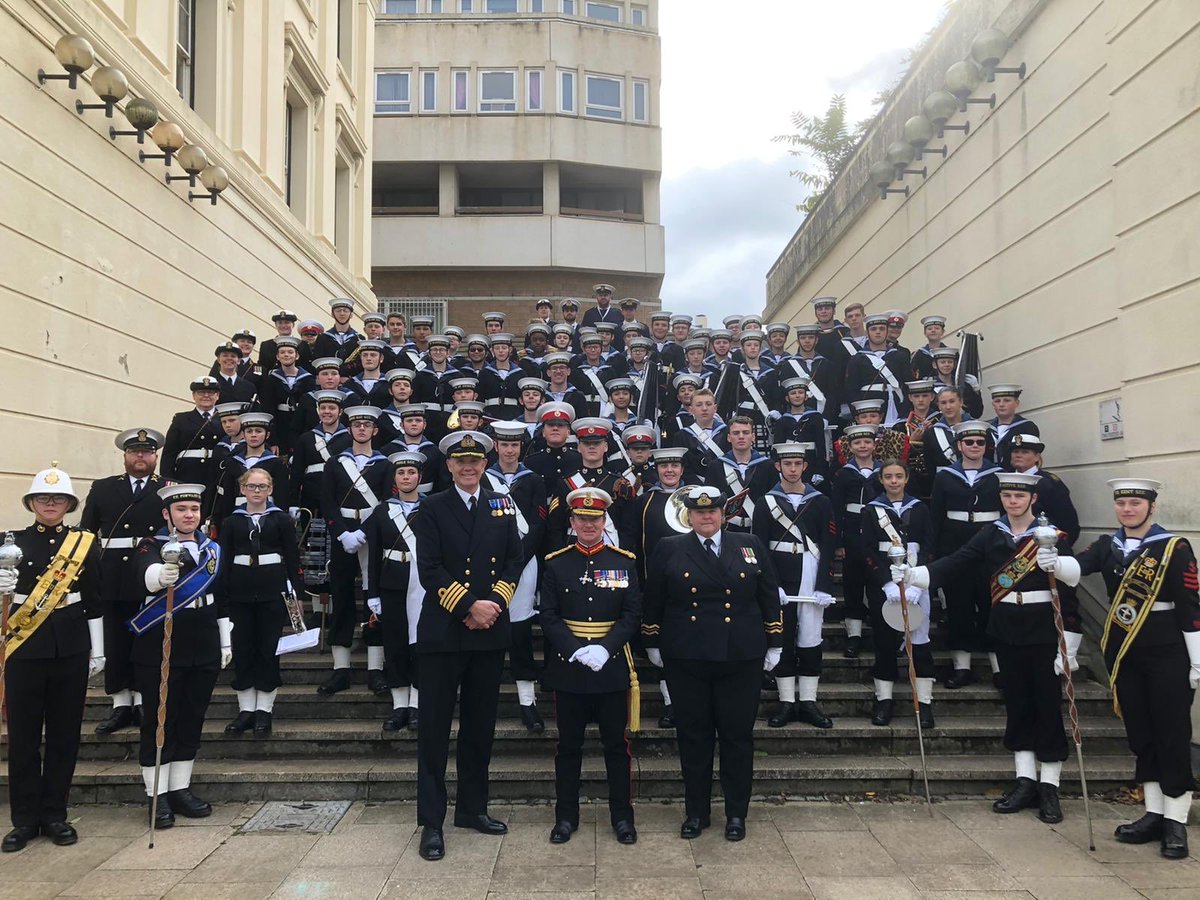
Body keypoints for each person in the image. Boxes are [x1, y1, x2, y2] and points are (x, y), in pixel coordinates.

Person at [891, 471, 1081, 825]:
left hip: (1042, 630)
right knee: (1018, 705)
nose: (1013, 502)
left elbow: (1069, 592)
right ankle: (1025, 781)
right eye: (1007, 496)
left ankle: (1050, 787)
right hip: (1006, 629)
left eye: (1019, 496)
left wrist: (1068, 644)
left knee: (1047, 707)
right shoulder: (992, 534)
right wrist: (914, 575)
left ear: (1032, 499)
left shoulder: (1048, 537)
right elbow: (957, 561)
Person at [642, 485, 783, 842]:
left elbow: (768, 594)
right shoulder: (670, 547)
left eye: (712, 511)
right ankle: (696, 813)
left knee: (737, 738)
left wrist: (775, 640)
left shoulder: (749, 544)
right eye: (699, 512)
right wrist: (652, 640)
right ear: (689, 516)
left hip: (741, 655)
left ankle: (736, 813)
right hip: (687, 656)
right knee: (693, 738)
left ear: (723, 514)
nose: (706, 517)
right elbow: (654, 598)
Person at [411, 430, 523, 862]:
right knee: (434, 731)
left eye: (475, 461)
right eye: (461, 462)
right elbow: (429, 568)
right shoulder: (432, 507)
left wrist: (492, 605)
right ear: (450, 466)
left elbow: (514, 560)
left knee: (480, 728)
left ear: (484, 465)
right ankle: (432, 822)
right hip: (444, 632)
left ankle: (472, 809)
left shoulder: (501, 504)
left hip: (489, 631)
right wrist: (469, 607)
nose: (469, 467)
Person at [1075, 479, 1199, 859]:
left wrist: (1197, 659)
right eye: (1122, 503)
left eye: (1135, 503)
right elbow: (1077, 567)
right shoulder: (1108, 545)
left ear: (1151, 507)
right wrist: (1052, 559)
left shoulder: (1173, 547)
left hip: (1168, 652)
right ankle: (1154, 814)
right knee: (1141, 733)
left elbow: (1190, 606)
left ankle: (1176, 821)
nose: (1127, 509)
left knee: (1171, 733)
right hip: (1126, 653)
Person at [0, 464, 103, 853]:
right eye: (43, 497)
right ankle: (24, 820)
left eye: (58, 498)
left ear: (69, 504)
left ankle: (55, 814)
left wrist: (99, 649)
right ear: (31, 502)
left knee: (64, 735)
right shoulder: (8, 543)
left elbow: (95, 599)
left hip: (70, 646)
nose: (50, 503)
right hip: (24, 648)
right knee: (23, 737)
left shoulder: (84, 544)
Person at [540, 487, 641, 846]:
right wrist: (574, 650)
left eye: (594, 519)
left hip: (610, 667)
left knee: (617, 747)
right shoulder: (556, 563)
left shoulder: (624, 562)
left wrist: (606, 648)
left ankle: (622, 817)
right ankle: (566, 817)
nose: (588, 524)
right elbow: (548, 615)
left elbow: (632, 615)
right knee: (568, 747)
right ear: (571, 521)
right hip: (569, 668)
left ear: (604, 521)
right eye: (582, 518)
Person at [133, 484, 231, 830]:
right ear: (166, 514)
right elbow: (144, 575)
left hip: (203, 638)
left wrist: (225, 641)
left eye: (194, 509)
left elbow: (222, 596)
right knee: (160, 718)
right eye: (181, 509)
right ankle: (156, 794)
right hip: (161, 639)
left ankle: (180, 789)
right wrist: (160, 575)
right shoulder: (151, 544)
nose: (189, 515)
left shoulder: (212, 549)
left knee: (192, 716)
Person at [80, 429, 164, 735]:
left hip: (150, 573)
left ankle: (142, 700)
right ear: (125, 456)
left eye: (146, 452)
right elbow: (86, 533)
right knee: (115, 640)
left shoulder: (168, 488)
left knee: (146, 639)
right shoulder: (103, 488)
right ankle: (120, 703)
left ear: (155, 456)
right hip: (112, 573)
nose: (140, 456)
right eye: (134, 451)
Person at [752, 444, 837, 729]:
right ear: (778, 466)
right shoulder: (766, 502)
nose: (792, 469)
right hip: (780, 574)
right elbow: (760, 547)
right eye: (787, 463)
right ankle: (787, 701)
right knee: (783, 638)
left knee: (811, 639)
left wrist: (824, 584)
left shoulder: (821, 501)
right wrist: (771, 584)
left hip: (811, 573)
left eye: (797, 464)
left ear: (805, 466)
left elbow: (828, 545)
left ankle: (809, 701)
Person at [217, 468, 303, 737]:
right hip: (240, 592)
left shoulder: (281, 520)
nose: (257, 491)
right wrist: (223, 596)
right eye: (252, 486)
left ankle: (264, 710)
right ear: (242, 489)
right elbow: (224, 561)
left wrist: (297, 594)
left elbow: (292, 558)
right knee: (243, 648)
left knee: (268, 649)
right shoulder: (231, 522)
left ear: (270, 490)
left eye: (262, 486)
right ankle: (246, 710)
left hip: (272, 591)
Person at [319, 406, 391, 696]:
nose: (362, 429)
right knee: (341, 595)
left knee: (375, 597)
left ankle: (375, 668)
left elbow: (385, 503)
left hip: (372, 533)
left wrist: (365, 532)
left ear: (375, 430)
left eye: (367, 425)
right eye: (357, 425)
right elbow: (327, 501)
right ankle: (341, 668)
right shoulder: (335, 462)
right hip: (343, 533)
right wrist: (341, 532)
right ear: (349, 429)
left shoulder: (385, 464)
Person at [620, 446, 691, 728]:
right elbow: (631, 541)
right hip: (656, 586)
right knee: (664, 646)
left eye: (674, 466)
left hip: (694, 586)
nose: (669, 471)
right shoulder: (644, 501)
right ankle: (671, 703)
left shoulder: (696, 497)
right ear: (657, 469)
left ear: (682, 469)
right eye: (664, 466)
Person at [929, 420, 1004, 688]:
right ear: (959, 446)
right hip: (955, 546)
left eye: (980, 442)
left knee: (992, 606)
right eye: (969, 442)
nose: (974, 446)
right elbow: (936, 515)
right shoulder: (945, 476)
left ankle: (999, 668)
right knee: (958, 606)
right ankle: (962, 667)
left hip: (991, 547)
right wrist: (934, 552)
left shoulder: (999, 475)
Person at [485, 422, 550, 732]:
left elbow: (538, 524)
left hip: (523, 563)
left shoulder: (533, 480)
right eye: (504, 444)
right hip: (488, 563)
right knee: (488, 624)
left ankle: (527, 702)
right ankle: (484, 696)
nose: (509, 450)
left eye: (514, 445)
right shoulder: (483, 478)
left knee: (520, 628)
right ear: (496, 447)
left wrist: (518, 559)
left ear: (521, 447)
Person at [861, 459, 935, 727]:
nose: (894, 481)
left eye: (899, 476)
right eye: (889, 476)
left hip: (916, 580)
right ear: (881, 480)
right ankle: (884, 700)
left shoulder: (920, 508)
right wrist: (885, 582)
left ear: (907, 479)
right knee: (884, 642)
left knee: (920, 642)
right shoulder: (871, 510)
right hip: (884, 584)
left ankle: (924, 702)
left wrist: (917, 584)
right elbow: (867, 550)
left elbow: (929, 546)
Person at [364, 451, 426, 731]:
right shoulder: (382, 511)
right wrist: (373, 594)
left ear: (420, 477)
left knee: (420, 645)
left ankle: (417, 704)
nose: (406, 477)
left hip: (423, 584)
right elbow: (374, 554)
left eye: (411, 473)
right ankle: (399, 705)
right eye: (401, 473)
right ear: (394, 478)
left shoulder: (432, 508)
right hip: (392, 583)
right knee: (396, 643)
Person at [830, 424, 883, 659]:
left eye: (867, 442)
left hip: (878, 534)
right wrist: (838, 541)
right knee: (852, 584)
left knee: (878, 582)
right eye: (857, 443)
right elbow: (836, 508)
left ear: (874, 444)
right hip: (852, 535)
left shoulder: (883, 471)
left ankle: (883, 631)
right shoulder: (843, 474)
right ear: (850, 447)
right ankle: (854, 635)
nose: (863, 446)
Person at [161, 375, 224, 516]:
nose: (206, 396)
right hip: (188, 475)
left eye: (211, 392)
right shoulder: (181, 419)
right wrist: (169, 481)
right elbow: (169, 453)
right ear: (194, 396)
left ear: (217, 396)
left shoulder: (225, 419)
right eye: (201, 392)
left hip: (216, 474)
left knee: (215, 512)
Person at [1009, 434, 1080, 546]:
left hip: (1042, 546)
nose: (1018, 455)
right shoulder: (1005, 481)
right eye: (1015, 451)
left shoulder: (1050, 483)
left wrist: (1060, 547)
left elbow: (1068, 523)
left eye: (1025, 452)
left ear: (1037, 457)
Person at [987, 384, 1039, 470]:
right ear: (993, 404)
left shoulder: (1027, 427)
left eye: (1007, 400)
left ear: (1017, 403)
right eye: (997, 401)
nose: (1001, 404)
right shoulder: (987, 429)